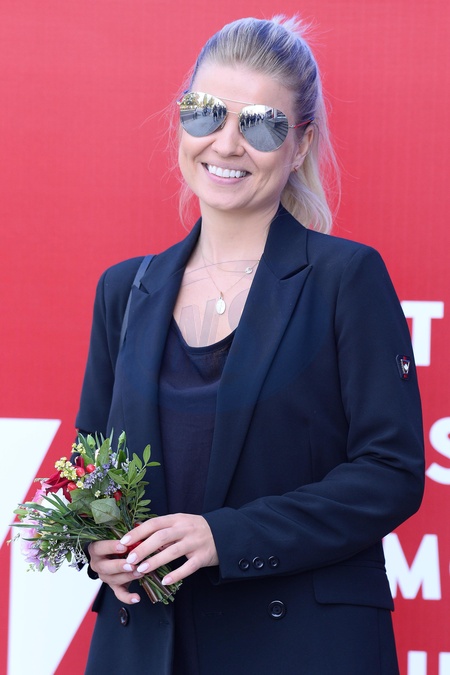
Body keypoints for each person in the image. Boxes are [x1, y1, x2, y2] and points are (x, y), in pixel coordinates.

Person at [77, 16, 424, 675]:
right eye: (205, 112)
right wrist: (100, 539)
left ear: (300, 143)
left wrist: (224, 536)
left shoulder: (344, 279)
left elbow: (390, 472)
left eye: (261, 124)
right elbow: (91, 459)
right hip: (145, 646)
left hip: (298, 648)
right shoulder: (125, 289)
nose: (227, 143)